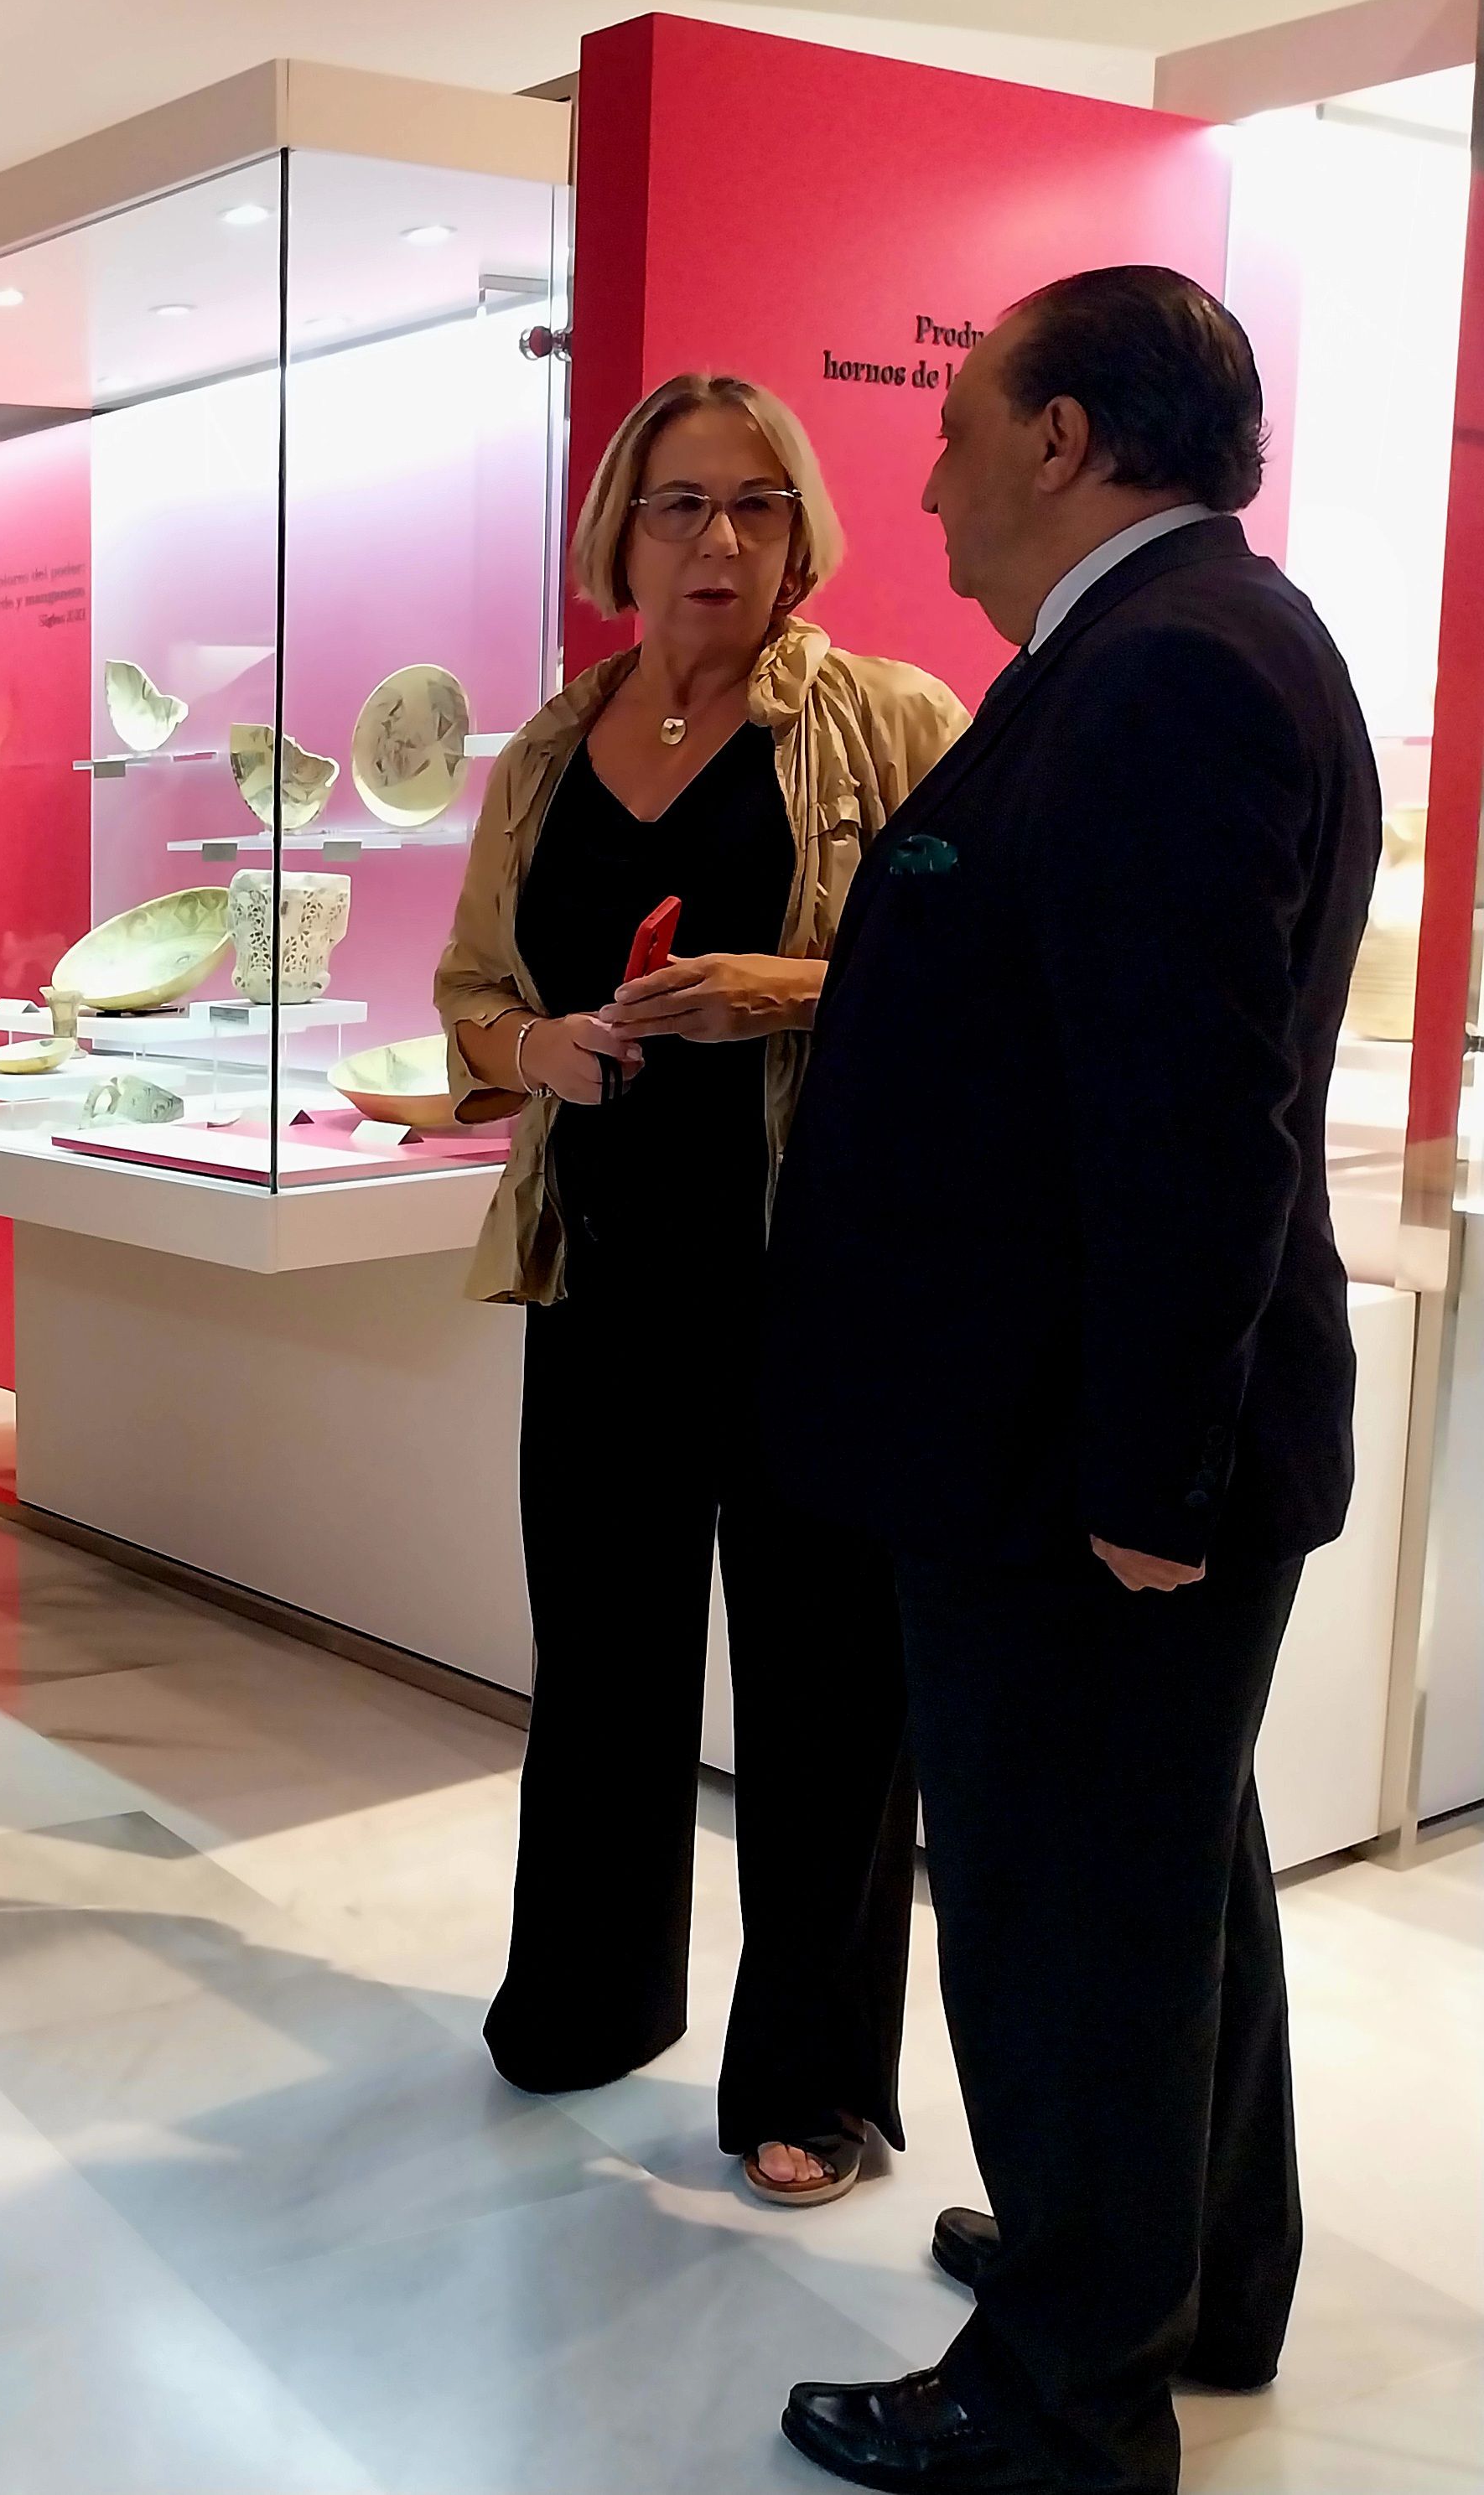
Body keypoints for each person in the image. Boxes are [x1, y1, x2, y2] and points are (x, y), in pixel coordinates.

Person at [769, 270, 1377, 2495]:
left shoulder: (1170, 677)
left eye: (961, 416)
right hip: (1077, 1439)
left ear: (1068, 438)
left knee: (1067, 1932)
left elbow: (1187, 1117)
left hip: (1078, 1466)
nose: (925, 462)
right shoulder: (1165, 649)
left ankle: (1061, 2400)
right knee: (1161, 1881)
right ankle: (1177, 2271)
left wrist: (1150, 1470)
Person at [432, 376, 966, 2207]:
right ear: (618, 533)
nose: (717, 540)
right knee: (600, 1669)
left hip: (812, 1289)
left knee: (827, 1695)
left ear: (802, 529)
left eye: (753, 505)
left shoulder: (889, 722)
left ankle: (815, 2082)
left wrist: (790, 991)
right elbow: (468, 1010)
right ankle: (589, 2001)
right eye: (679, 505)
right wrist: (544, 1049)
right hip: (603, 1281)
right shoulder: (545, 750)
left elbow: (984, 985)